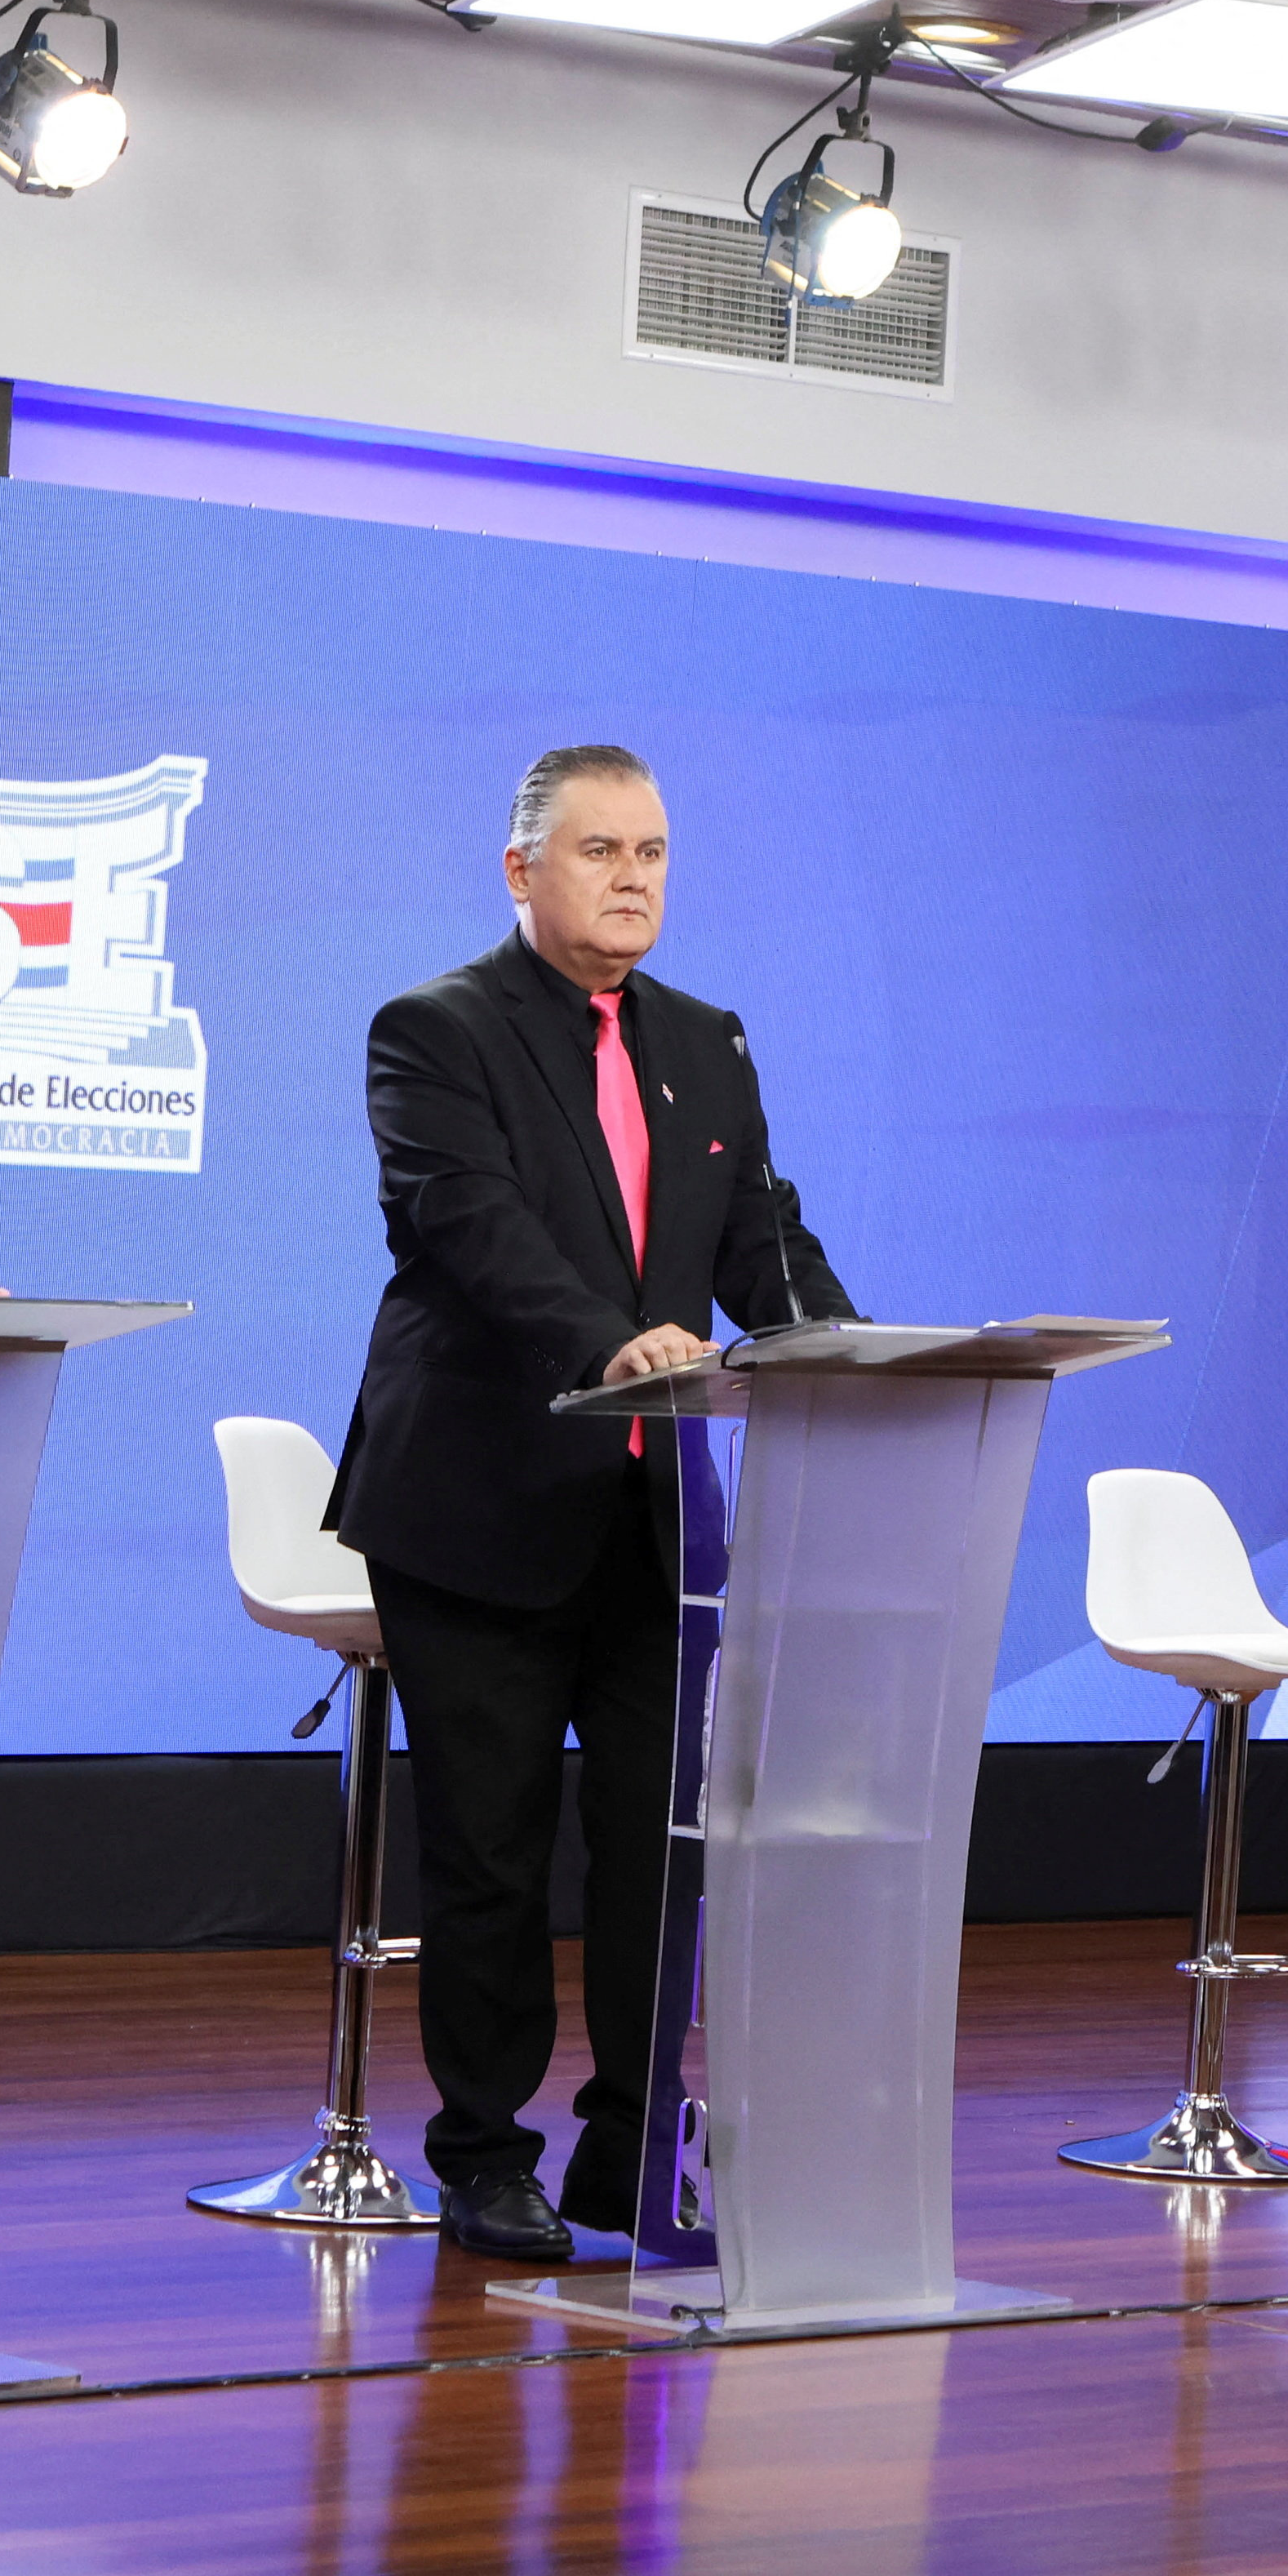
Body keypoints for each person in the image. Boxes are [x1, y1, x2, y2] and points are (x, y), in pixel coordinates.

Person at [326, 744, 851, 2265]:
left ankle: (631, 2145)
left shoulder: (708, 1041)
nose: (633, 879)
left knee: (656, 1845)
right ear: (521, 870)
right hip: (479, 1504)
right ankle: (485, 2157)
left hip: (655, 1530)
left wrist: (860, 1351)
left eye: (655, 854)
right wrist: (605, 1340)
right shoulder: (434, 1030)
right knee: (489, 1851)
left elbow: (764, 1243)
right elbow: (467, 1223)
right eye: (601, 851)